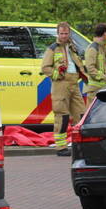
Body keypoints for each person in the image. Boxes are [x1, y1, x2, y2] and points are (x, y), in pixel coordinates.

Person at [40, 22, 87, 156]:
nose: (64, 36)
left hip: (74, 84)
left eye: (66, 33)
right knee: (62, 116)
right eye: (61, 33)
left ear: (69, 33)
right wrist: (58, 75)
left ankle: (80, 145)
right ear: (58, 33)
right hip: (60, 85)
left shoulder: (72, 47)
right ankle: (61, 148)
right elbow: (45, 67)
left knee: (81, 114)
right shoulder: (53, 48)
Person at [83, 23, 106, 99]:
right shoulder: (93, 48)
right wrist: (103, 77)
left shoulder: (101, 47)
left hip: (102, 89)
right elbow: (90, 68)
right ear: (104, 33)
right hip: (94, 91)